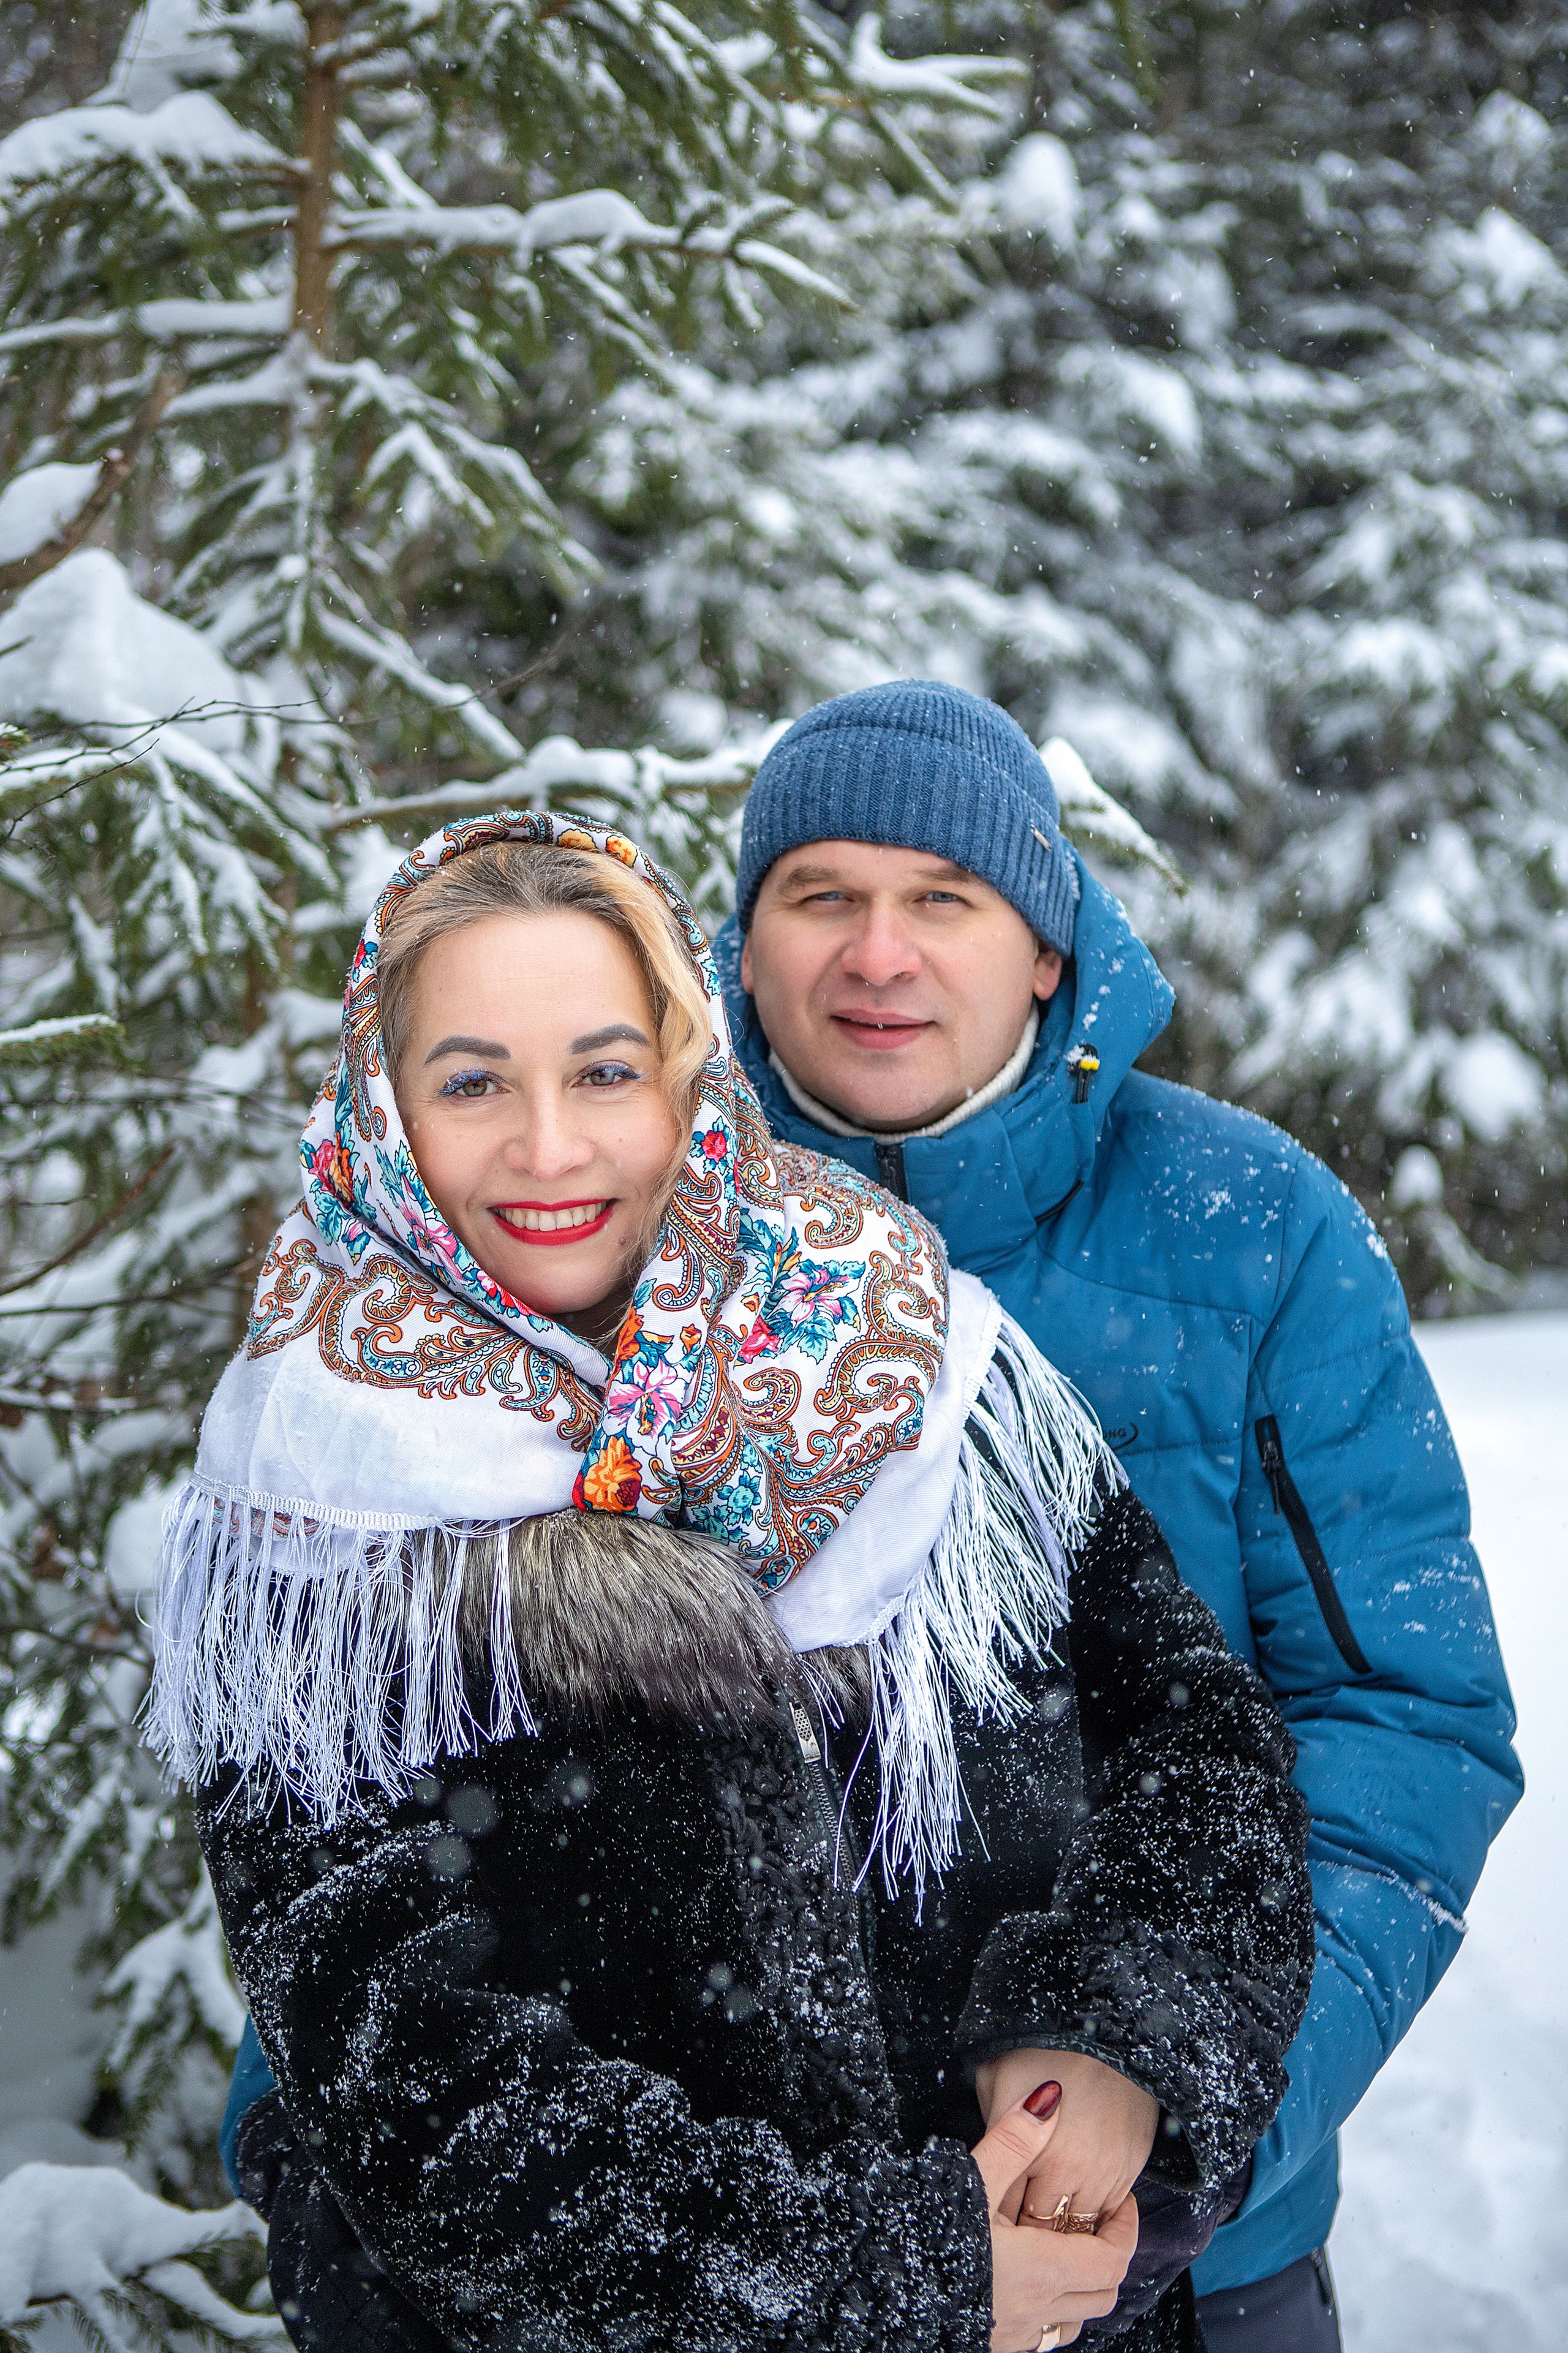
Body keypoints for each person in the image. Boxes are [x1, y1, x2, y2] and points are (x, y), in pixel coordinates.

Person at [167, 812, 1313, 2353]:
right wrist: (901, 2282)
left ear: (686, 1072)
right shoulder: (306, 1496)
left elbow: (1192, 1737)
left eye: (602, 1067)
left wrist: (1115, 2046)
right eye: (469, 1081)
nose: (550, 1145)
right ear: (381, 1112)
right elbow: (415, 2097)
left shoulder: (912, 1353)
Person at [709, 678, 1525, 2351]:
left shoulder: (1254, 1229)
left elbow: (1409, 1724)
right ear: (743, 945)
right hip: (750, 2272)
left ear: (1050, 951)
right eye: (823, 896)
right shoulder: (612, 1227)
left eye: (944, 897)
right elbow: (433, 1734)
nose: (880, 954)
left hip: (1193, 2278)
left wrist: (1179, 2105)